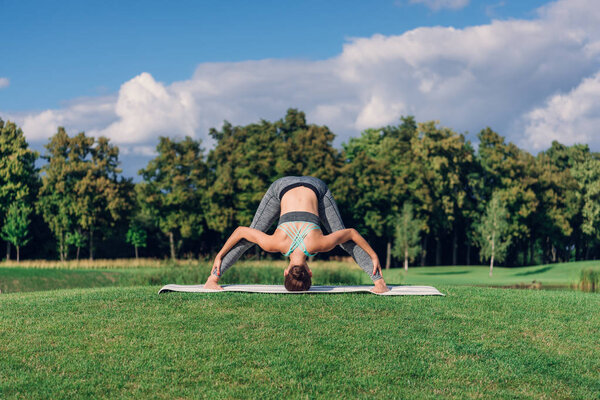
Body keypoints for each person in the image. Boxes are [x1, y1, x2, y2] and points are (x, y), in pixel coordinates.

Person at [204, 176, 389, 293]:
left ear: (310, 272)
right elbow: (240, 231)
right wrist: (218, 256)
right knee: (250, 236)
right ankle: (212, 279)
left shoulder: (318, 244)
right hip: (286, 187)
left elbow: (351, 233)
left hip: (311, 188)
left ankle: (380, 283)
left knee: (342, 239)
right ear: (285, 271)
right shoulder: (275, 243)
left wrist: (374, 255)